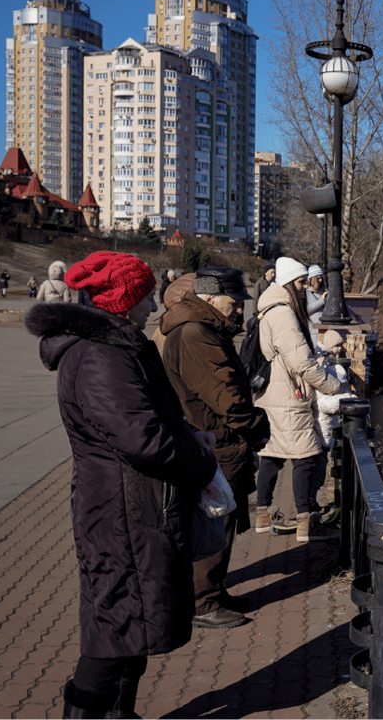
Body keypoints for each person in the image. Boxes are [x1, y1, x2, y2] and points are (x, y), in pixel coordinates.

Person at [24, 251, 218, 719]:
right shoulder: (100, 354)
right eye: (146, 294)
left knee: (133, 619)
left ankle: (119, 715)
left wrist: (189, 437)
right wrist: (202, 462)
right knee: (114, 622)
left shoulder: (116, 346)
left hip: (133, 503)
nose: (152, 304)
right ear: (123, 300)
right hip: (121, 508)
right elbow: (141, 437)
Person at [157, 266, 269, 629]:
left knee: (219, 522)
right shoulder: (195, 334)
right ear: (208, 299)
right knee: (214, 525)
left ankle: (212, 592)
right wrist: (257, 425)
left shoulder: (200, 329)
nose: (240, 309)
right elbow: (228, 399)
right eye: (234, 302)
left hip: (214, 442)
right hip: (214, 445)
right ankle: (203, 601)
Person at [252, 257, 346, 542]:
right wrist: (335, 387)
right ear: (290, 284)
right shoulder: (283, 313)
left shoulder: (273, 308)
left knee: (272, 454)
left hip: (273, 393)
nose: (306, 287)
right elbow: (302, 363)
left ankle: (263, 513)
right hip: (288, 396)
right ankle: (305, 521)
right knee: (307, 455)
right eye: (302, 282)